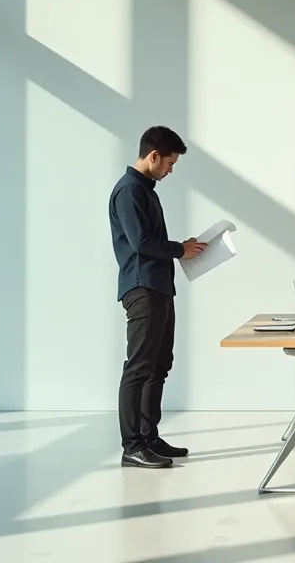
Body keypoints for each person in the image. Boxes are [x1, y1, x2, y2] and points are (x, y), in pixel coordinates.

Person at [108, 125, 207, 468]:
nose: (170, 170)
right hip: (143, 289)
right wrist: (180, 249)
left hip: (160, 288)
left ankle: (149, 437)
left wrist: (182, 247)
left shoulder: (145, 190)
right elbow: (141, 243)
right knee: (138, 368)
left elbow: (149, 241)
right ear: (153, 156)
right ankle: (132, 446)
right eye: (169, 163)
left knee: (159, 365)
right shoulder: (129, 190)